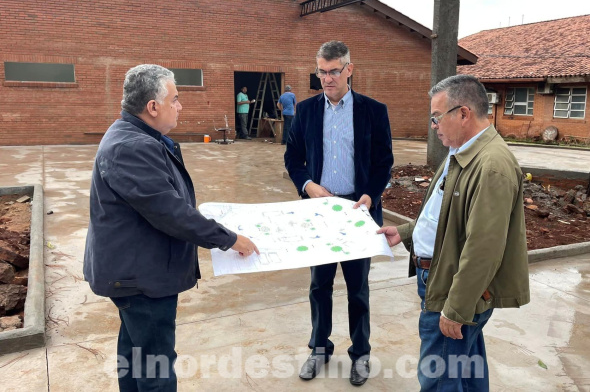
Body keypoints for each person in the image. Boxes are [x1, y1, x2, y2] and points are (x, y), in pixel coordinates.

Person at [84, 64, 259, 392]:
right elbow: (172, 213)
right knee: (156, 369)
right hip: (142, 279)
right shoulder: (132, 146)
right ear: (153, 106)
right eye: (175, 99)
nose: (180, 106)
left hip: (134, 271)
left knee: (135, 353)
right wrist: (230, 239)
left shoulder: (139, 135)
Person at [377, 74, 530, 391]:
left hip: (451, 290)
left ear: (463, 113)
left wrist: (456, 310)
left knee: (439, 381)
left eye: (436, 117)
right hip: (444, 280)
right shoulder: (463, 151)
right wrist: (406, 233)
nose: (433, 126)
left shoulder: (491, 165)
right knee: (467, 371)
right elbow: (444, 216)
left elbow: (483, 249)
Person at [284, 41, 393, 386]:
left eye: (334, 71)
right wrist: (308, 186)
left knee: (358, 287)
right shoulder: (307, 111)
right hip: (320, 212)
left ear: (349, 68)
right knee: (320, 285)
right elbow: (293, 158)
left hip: (358, 211)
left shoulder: (373, 111)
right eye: (322, 71)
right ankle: (319, 348)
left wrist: (370, 194)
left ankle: (360, 354)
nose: (327, 78)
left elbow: (383, 162)